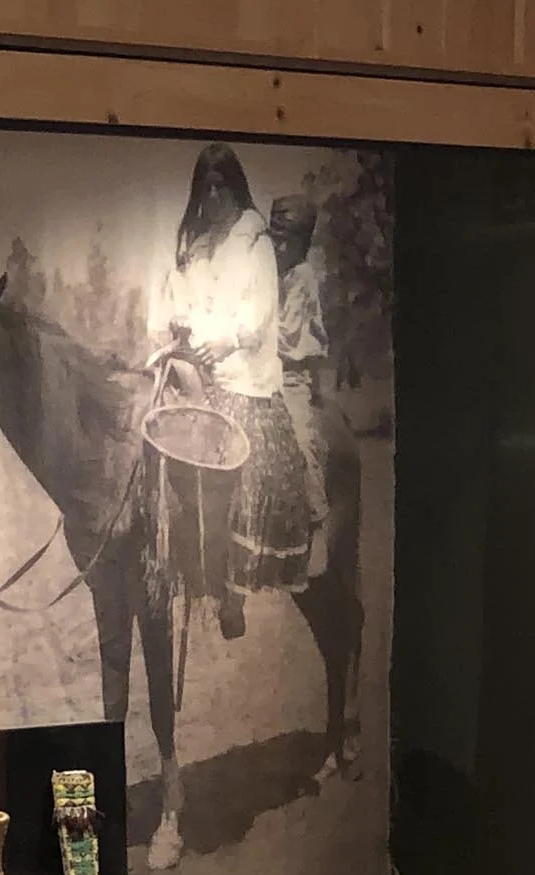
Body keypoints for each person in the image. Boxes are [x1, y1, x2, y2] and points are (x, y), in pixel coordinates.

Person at [147, 143, 313, 638]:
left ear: (234, 187)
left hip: (243, 372)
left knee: (249, 463)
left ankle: (234, 589)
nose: (214, 194)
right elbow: (176, 299)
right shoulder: (196, 244)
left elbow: (259, 315)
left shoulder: (254, 243)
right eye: (207, 185)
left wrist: (222, 341)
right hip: (197, 367)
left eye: (222, 185)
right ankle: (167, 559)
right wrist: (178, 330)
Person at [270, 193, 334, 573]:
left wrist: (245, 332)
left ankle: (317, 520)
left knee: (300, 438)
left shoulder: (302, 277)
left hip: (291, 372)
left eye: (286, 239)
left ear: (302, 242)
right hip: (259, 367)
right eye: (275, 237)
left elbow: (289, 338)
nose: (278, 246)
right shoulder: (271, 272)